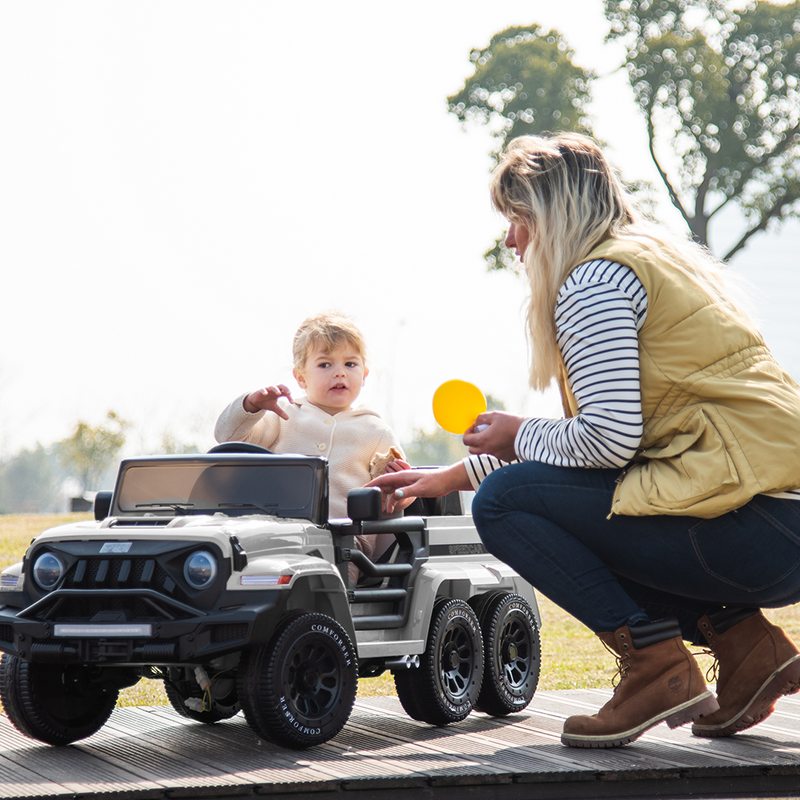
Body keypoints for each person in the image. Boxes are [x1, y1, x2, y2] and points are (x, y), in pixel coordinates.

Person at [367, 132, 800, 749]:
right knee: (530, 496)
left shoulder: (593, 282)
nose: (510, 239)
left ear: (548, 215)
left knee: (504, 506)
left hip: (750, 526)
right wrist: (446, 479)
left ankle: (657, 668)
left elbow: (606, 443)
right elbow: (598, 469)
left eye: (516, 220)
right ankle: (748, 648)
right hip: (774, 517)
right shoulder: (652, 259)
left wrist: (518, 434)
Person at [215, 311, 407, 581]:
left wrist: (398, 487)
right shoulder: (283, 415)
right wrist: (251, 405)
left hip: (345, 543)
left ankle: (324, 623)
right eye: (325, 364)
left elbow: (396, 497)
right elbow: (228, 437)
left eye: (350, 364)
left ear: (364, 374)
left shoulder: (376, 431)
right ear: (301, 378)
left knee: (325, 591)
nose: (339, 371)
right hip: (273, 534)